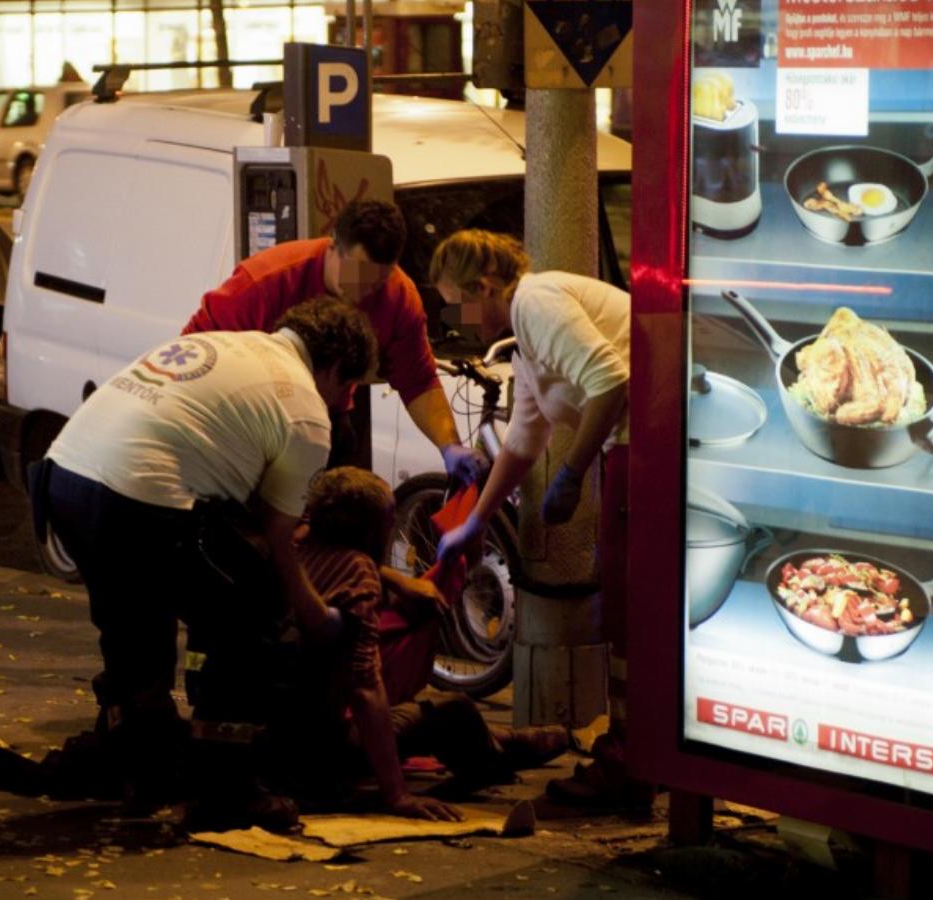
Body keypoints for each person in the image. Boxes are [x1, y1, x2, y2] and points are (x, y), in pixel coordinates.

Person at [39, 298, 377, 812]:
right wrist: (310, 612)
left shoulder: (225, 343)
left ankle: (134, 757)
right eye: (346, 390)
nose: (342, 404)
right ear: (332, 369)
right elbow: (278, 537)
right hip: (135, 497)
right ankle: (225, 788)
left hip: (62, 479)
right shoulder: (306, 412)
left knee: (136, 618)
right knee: (254, 603)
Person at [427, 230, 649, 808]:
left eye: (455, 303)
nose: (453, 320)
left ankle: (631, 763)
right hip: (632, 448)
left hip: (648, 444)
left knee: (627, 606)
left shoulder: (537, 301)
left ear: (484, 286)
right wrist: (474, 522)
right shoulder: (525, 335)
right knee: (620, 606)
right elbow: (524, 440)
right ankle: (634, 752)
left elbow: (612, 379)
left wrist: (572, 473)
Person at [267, 468, 568, 816]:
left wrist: (396, 580)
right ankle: (498, 756)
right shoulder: (358, 574)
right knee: (454, 709)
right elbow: (366, 691)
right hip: (323, 756)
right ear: (376, 528)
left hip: (271, 748)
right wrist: (397, 796)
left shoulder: (292, 549)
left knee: (428, 714)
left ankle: (505, 740)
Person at [181, 199, 486, 486]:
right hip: (251, 420)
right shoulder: (266, 281)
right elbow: (196, 352)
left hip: (328, 419)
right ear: (332, 246)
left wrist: (449, 446)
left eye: (376, 281)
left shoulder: (398, 297)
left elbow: (418, 381)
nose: (363, 290)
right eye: (356, 273)